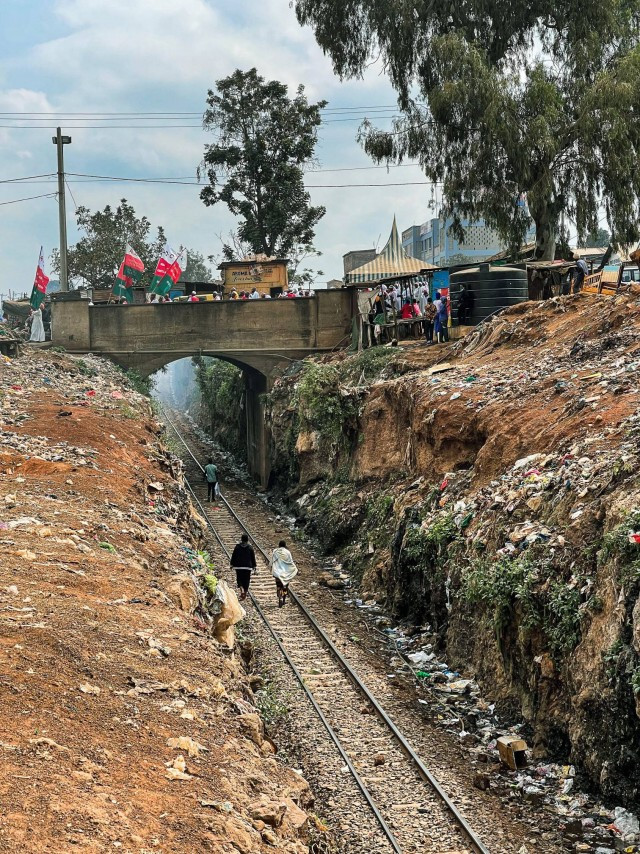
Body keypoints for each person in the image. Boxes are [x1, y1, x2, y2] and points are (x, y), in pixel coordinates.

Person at [270, 540, 298, 607]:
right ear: (285, 545)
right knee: (285, 586)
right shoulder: (287, 552)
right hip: (285, 574)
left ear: (279, 545)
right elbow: (290, 562)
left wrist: (271, 567)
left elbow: (272, 561)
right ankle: (284, 599)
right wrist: (294, 569)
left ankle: (280, 598)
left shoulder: (275, 551)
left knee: (278, 586)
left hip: (277, 573)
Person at [230, 533, 256, 601]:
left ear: (241, 539)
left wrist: (232, 564)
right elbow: (253, 557)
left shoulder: (237, 547)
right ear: (247, 540)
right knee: (247, 579)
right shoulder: (250, 547)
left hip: (238, 566)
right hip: (248, 567)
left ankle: (241, 590)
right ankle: (245, 592)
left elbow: (234, 556)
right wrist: (254, 565)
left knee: (239, 579)